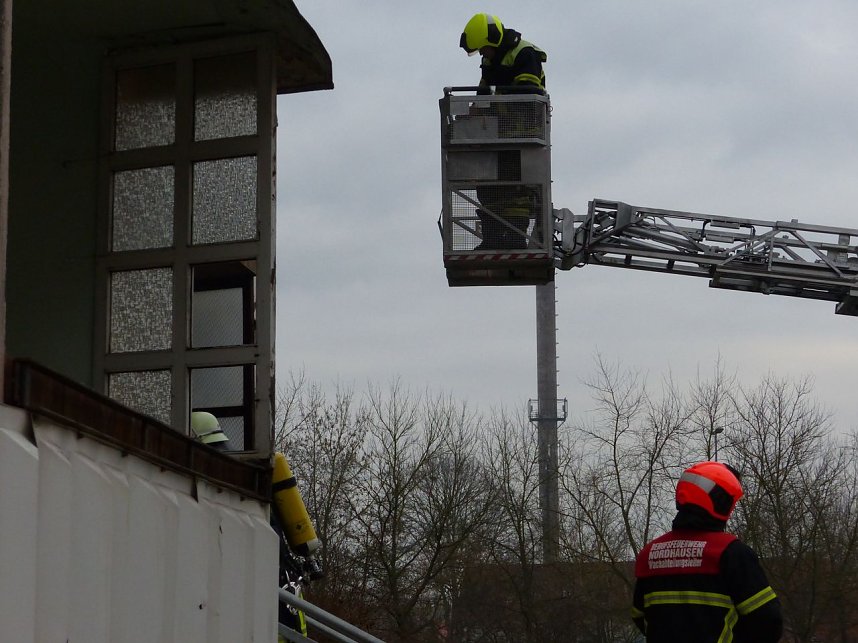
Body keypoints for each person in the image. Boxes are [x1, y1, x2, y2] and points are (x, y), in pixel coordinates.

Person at [632, 461, 783, 642]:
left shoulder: (650, 554)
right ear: (722, 502)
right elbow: (768, 620)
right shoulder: (731, 553)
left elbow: (639, 615)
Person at [459, 13, 547, 250]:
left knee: (515, 190)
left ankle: (516, 239)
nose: (483, 54)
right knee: (487, 186)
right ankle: (492, 240)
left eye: (484, 49)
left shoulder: (525, 54)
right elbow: (484, 92)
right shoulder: (491, 61)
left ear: (495, 41)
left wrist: (492, 108)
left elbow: (527, 94)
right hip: (497, 135)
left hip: (523, 134)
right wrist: (474, 112)